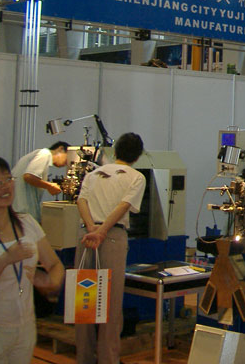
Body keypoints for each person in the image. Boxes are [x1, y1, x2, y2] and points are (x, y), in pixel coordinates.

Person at [76, 133, 146, 364]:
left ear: (114, 152)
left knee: (84, 301)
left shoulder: (93, 174)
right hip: (112, 237)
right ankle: (108, 359)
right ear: (138, 156)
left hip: (86, 237)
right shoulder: (136, 177)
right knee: (110, 304)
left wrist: (91, 229)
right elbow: (124, 206)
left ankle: (84, 358)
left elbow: (81, 201)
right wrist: (103, 231)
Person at [0, 155, 65, 364]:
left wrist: (51, 281)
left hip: (26, 328)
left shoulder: (26, 222)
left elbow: (54, 264)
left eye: (8, 179)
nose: (5, 186)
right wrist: (4, 260)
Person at [11, 141, 70, 222]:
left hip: (20, 210)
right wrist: (50, 186)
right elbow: (28, 176)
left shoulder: (38, 156)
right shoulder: (44, 154)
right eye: (67, 158)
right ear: (61, 149)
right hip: (22, 212)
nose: (66, 163)